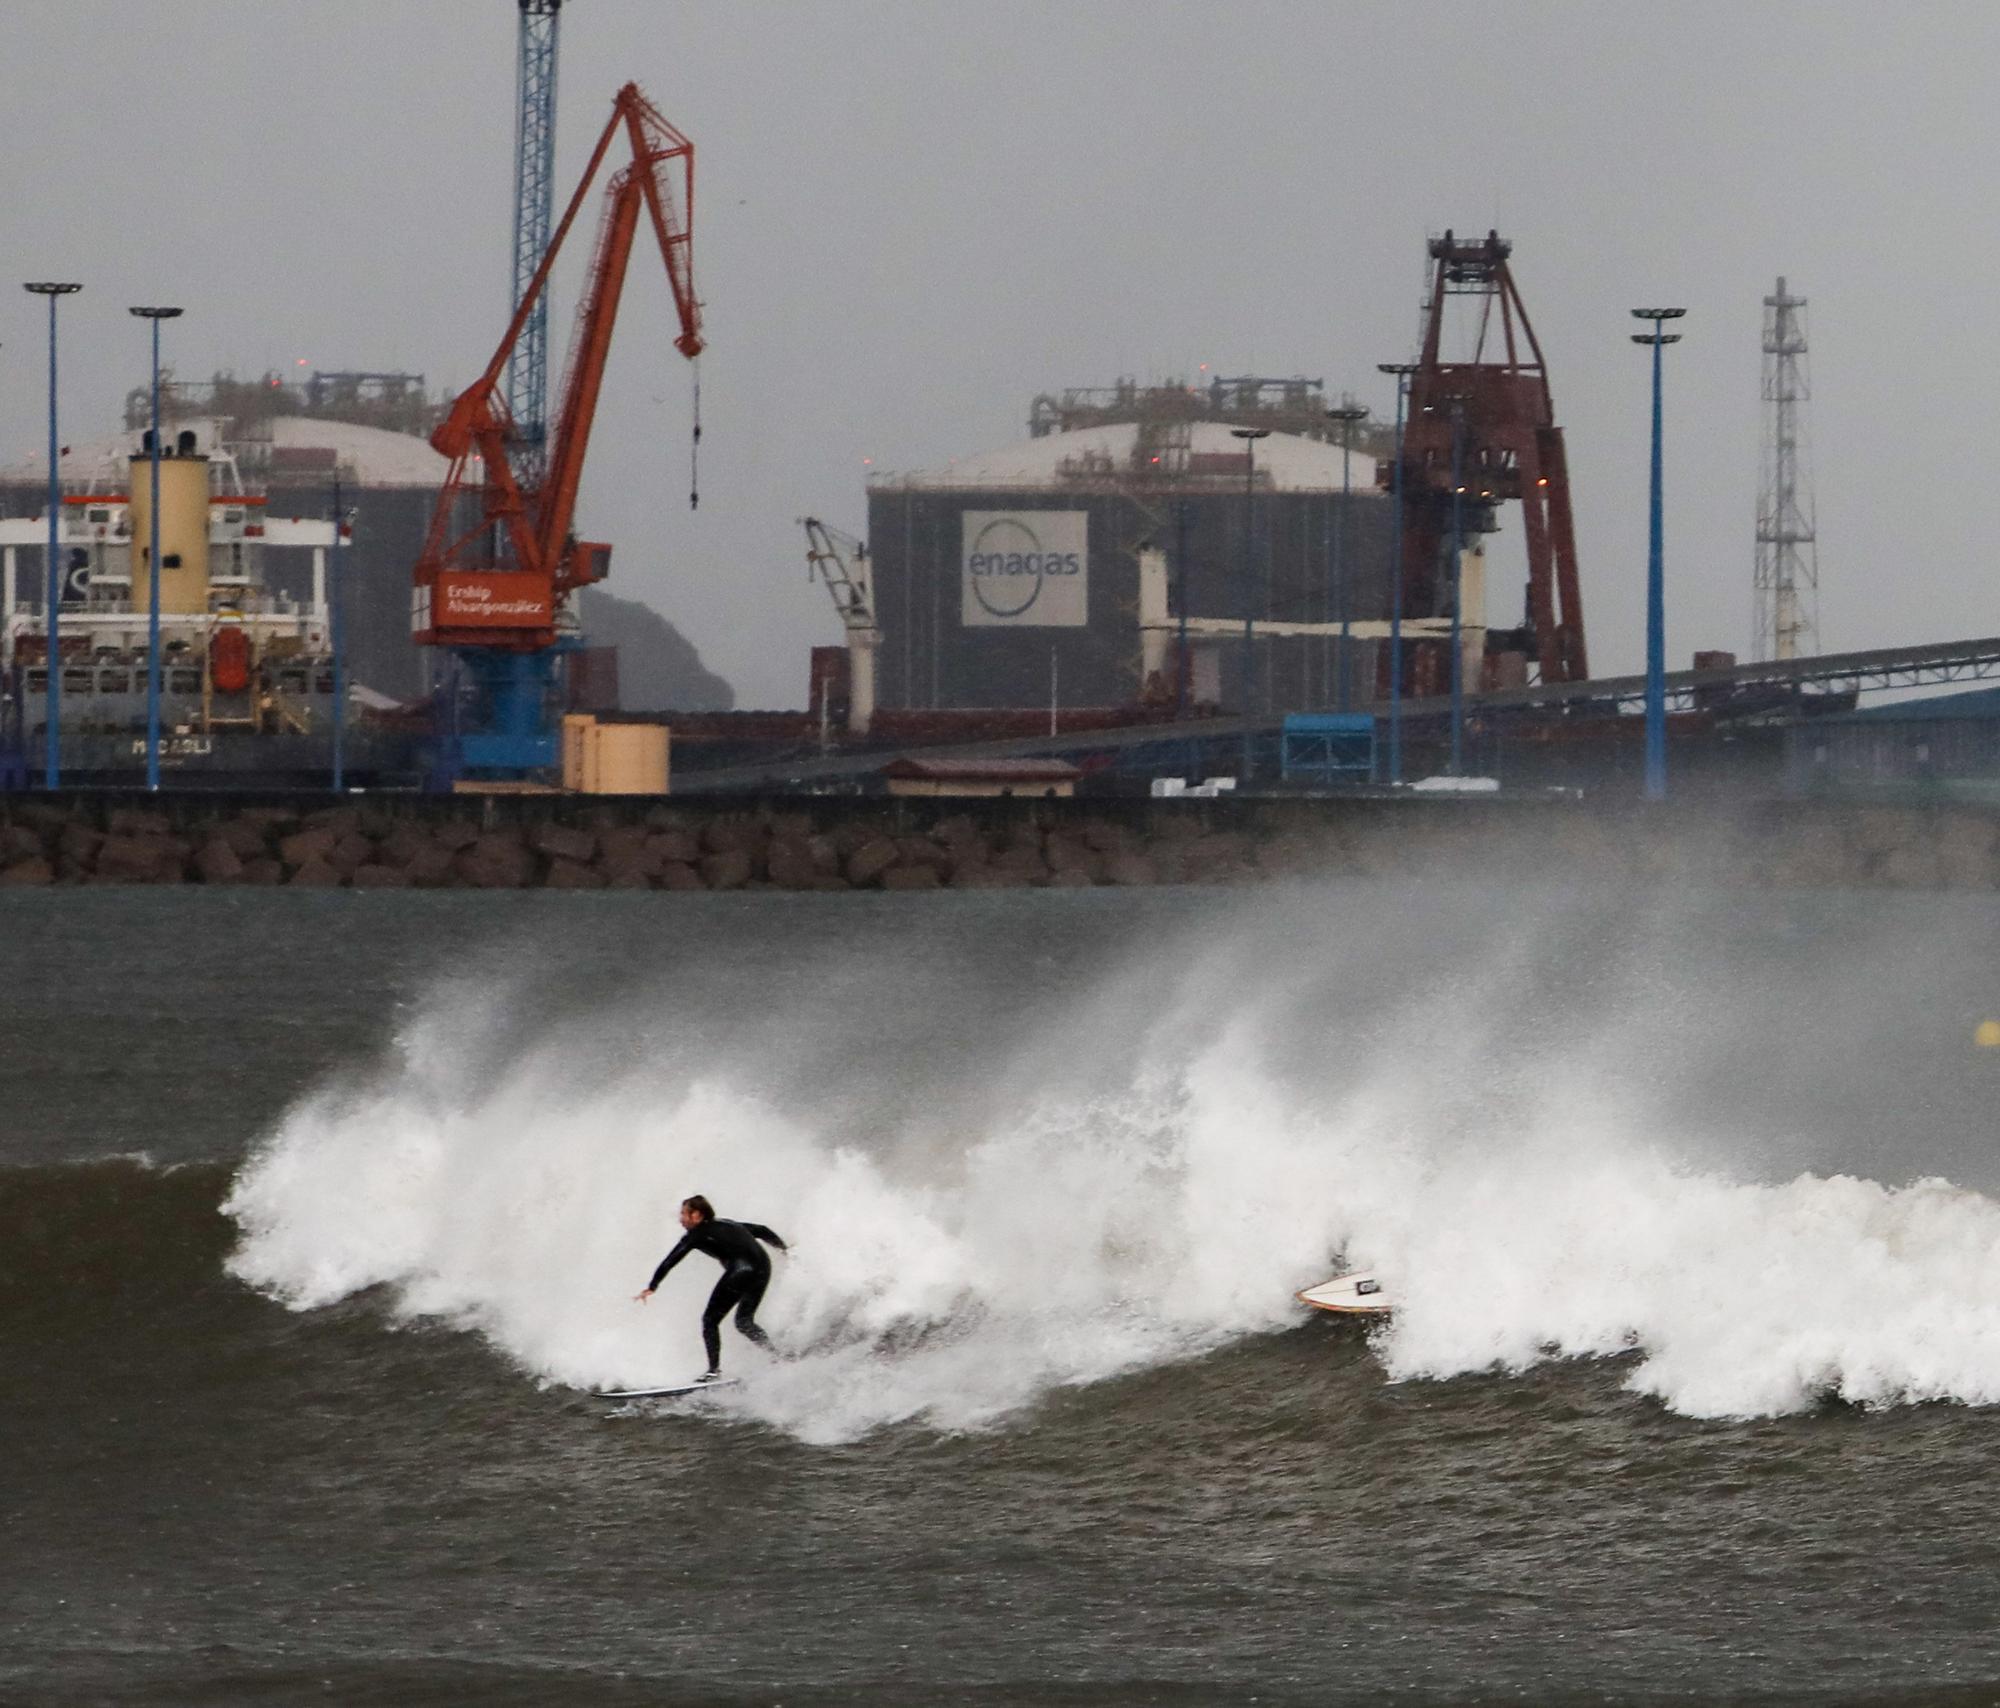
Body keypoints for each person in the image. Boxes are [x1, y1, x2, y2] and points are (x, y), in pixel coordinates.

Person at [634, 1194, 787, 1381]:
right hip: (763, 1267)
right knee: (744, 1322)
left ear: (696, 1215)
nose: (680, 1219)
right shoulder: (729, 1223)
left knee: (710, 1320)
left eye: (684, 1214)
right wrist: (784, 1250)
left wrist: (652, 1286)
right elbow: (762, 1230)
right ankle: (777, 1357)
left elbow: (670, 1260)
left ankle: (713, 1371)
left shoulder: (695, 1234)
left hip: (742, 1271)